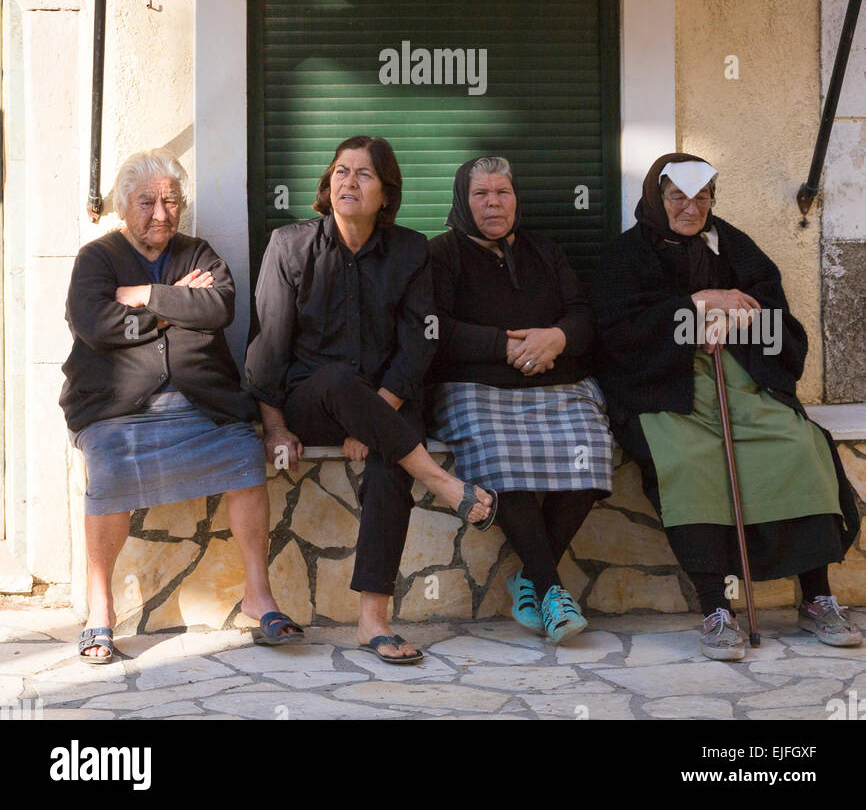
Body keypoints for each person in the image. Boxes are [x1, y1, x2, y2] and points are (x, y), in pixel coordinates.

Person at [593, 151, 862, 660]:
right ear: (657, 198)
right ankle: (716, 609)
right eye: (677, 197)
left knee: (799, 446)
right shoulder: (624, 257)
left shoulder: (735, 247)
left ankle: (816, 597)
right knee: (687, 463)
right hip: (666, 389)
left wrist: (737, 323)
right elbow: (617, 335)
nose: (690, 208)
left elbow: (779, 323)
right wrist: (695, 308)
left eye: (701, 196)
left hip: (741, 378)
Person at [244, 134, 497, 666]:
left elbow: (419, 341)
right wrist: (274, 428)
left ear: (386, 193)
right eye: (340, 171)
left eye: (363, 174)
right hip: (314, 400)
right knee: (337, 381)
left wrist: (375, 415)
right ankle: (445, 482)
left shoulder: (410, 251)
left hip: (392, 401)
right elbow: (266, 346)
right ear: (326, 184)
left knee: (390, 467)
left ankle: (373, 622)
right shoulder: (289, 246)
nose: (349, 182)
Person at [61, 149, 302, 664]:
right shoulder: (97, 259)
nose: (161, 213)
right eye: (147, 202)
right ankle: (99, 608)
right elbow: (97, 325)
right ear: (125, 207)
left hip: (202, 405)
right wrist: (173, 309)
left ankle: (258, 597)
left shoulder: (199, 253)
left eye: (171, 201)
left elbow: (218, 307)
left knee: (243, 452)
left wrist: (147, 294)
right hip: (114, 409)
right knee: (107, 466)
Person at [427, 156, 614, 643]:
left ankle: (530, 578)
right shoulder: (441, 254)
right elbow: (432, 328)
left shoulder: (544, 250)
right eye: (481, 194)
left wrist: (555, 338)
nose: (494, 203)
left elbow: (583, 315)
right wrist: (502, 346)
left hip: (555, 383)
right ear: (462, 201)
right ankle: (551, 588)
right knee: (501, 457)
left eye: (503, 193)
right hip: (477, 389)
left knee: (592, 450)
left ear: (516, 198)